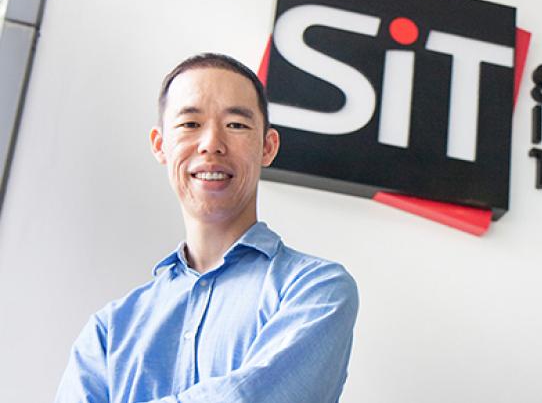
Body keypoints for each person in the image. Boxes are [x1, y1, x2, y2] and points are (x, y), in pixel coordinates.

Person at [54, 53, 359, 403]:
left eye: (236, 125)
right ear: (160, 145)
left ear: (267, 147)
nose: (211, 143)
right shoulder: (108, 331)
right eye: (190, 124)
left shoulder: (316, 289)